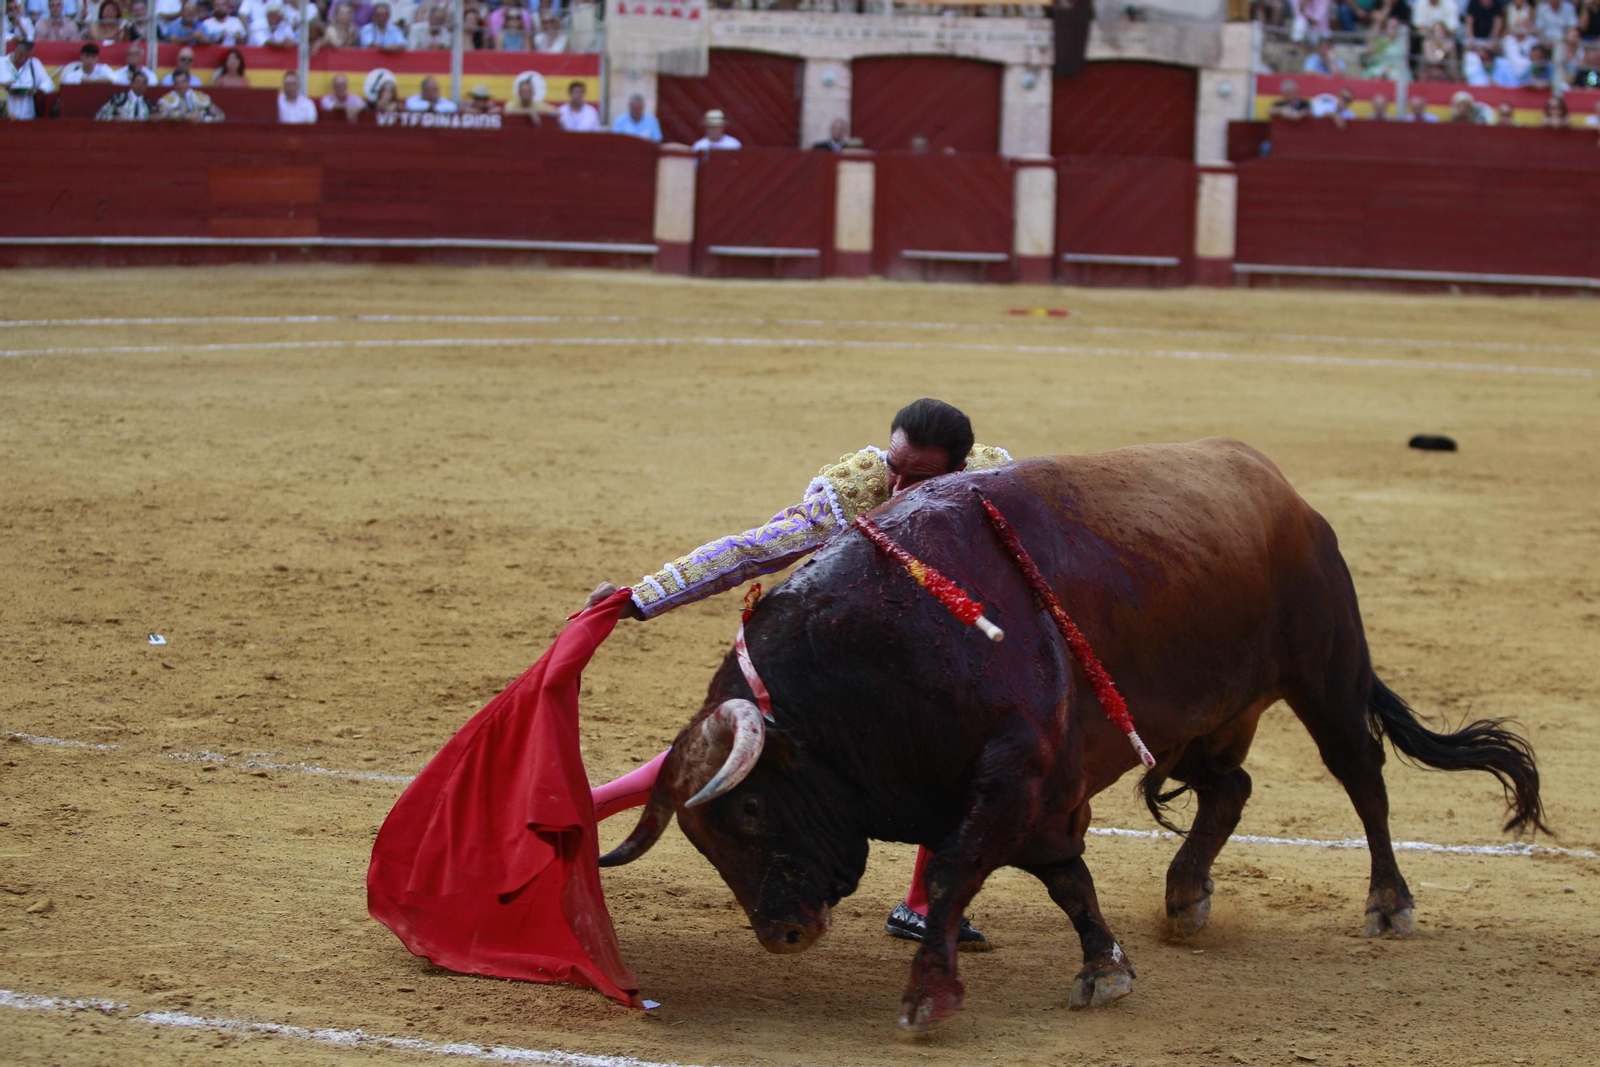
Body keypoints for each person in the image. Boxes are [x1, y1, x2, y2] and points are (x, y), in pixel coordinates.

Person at [583, 399, 1012, 947]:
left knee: (960, 749)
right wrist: (643, 596)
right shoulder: (853, 494)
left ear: (958, 470)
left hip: (925, 656)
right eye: (894, 467)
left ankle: (923, 906)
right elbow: (751, 550)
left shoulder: (990, 490)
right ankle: (583, 809)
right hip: (833, 660)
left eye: (920, 479)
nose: (899, 488)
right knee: (735, 750)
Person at [1, 38, 54, 120]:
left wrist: (35, 90)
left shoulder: (34, 63)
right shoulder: (1, 62)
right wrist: (2, 86)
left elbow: (49, 84)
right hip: (4, 116)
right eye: (20, 55)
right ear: (15, 50)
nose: (23, 59)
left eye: (27, 56)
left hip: (27, 116)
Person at [155, 67, 224, 120]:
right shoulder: (167, 99)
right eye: (177, 82)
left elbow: (220, 115)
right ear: (174, 84)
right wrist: (183, 116)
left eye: (183, 81)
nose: (181, 85)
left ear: (188, 82)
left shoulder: (200, 97)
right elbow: (162, 113)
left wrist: (205, 118)